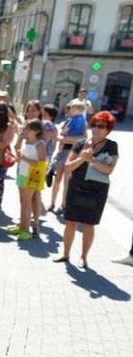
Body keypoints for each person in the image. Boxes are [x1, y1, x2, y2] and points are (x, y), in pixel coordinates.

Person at [54, 111, 119, 269]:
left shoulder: (112, 146)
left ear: (108, 129)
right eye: (94, 125)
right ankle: (65, 253)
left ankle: (84, 257)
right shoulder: (81, 143)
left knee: (89, 224)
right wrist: (82, 158)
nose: (96, 128)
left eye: (101, 126)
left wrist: (92, 160)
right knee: (70, 222)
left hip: (97, 190)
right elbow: (68, 167)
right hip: (76, 186)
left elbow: (109, 170)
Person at [8, 120, 47, 241]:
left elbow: (42, 163)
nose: (25, 131)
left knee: (27, 203)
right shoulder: (27, 141)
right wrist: (19, 156)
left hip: (31, 177)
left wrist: (24, 158)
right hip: (22, 173)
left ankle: (26, 230)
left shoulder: (40, 144)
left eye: (27, 129)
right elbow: (16, 147)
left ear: (36, 131)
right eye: (24, 129)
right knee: (22, 202)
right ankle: (22, 226)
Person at [48, 101, 87, 213]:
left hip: (70, 151)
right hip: (68, 151)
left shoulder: (73, 121)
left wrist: (65, 139)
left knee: (63, 180)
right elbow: (63, 137)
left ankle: (59, 204)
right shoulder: (81, 121)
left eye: (72, 109)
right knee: (62, 180)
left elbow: (82, 138)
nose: (70, 111)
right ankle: (56, 204)